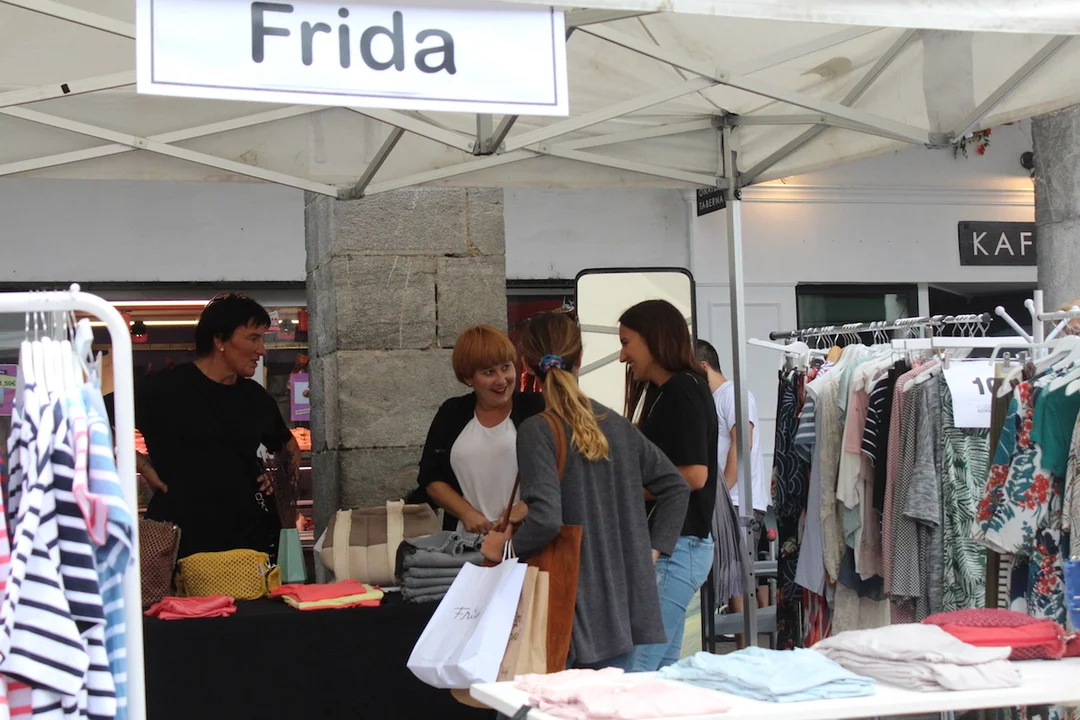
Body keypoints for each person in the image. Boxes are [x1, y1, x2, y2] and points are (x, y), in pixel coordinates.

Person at [480, 311, 689, 671]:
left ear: (526, 364)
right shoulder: (615, 424)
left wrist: (505, 549)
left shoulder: (537, 430)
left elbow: (547, 519)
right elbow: (675, 486)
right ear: (580, 359)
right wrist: (651, 552)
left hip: (570, 606)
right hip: (622, 606)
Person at [113, 293, 300, 559]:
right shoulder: (164, 389)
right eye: (253, 338)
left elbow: (289, 446)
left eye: (262, 339)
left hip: (250, 543)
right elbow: (88, 419)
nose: (261, 350)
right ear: (220, 340)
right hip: (181, 541)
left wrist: (278, 478)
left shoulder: (255, 397)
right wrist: (141, 465)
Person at [617, 299, 725, 671]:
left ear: (653, 339)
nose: (622, 356)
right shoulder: (674, 389)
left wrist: (626, 491)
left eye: (626, 343)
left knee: (637, 673)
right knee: (658, 672)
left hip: (677, 547)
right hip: (678, 546)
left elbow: (695, 475)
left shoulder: (682, 389)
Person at [416, 325, 545, 533]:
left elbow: (563, 469)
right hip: (464, 541)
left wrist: (525, 507)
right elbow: (430, 477)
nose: (501, 380)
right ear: (468, 378)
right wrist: (466, 513)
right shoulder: (452, 412)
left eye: (506, 367)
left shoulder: (536, 407)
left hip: (527, 539)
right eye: (489, 372)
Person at [696, 339, 771, 646]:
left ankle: (746, 650)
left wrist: (721, 492)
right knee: (733, 580)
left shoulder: (733, 394)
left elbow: (742, 444)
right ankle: (746, 649)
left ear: (703, 366)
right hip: (729, 500)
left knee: (738, 578)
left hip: (738, 502)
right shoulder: (715, 399)